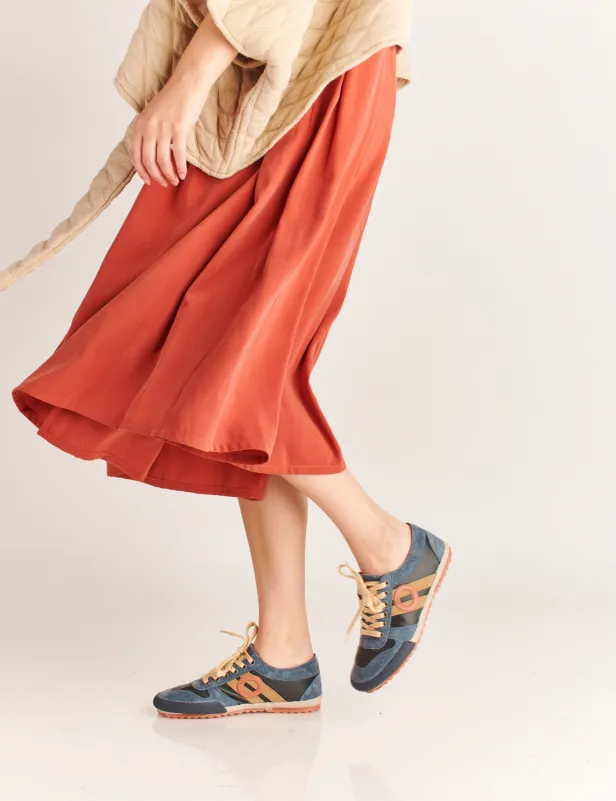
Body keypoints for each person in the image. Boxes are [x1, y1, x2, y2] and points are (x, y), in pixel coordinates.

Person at [7, 1, 451, 718]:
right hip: (272, 65)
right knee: (238, 355)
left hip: (302, 68)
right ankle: (284, 653)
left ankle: (390, 547)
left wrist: (190, 77)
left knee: (227, 361)